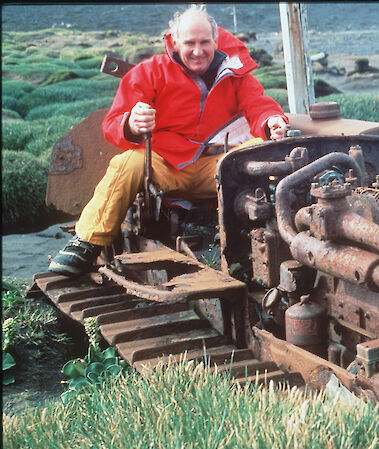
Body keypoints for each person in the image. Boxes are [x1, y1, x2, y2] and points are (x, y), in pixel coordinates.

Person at [48, 5, 289, 276]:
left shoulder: (234, 73)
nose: (198, 51)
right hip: (167, 167)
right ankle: (87, 242)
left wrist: (271, 122)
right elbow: (112, 124)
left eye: (204, 42)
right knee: (128, 162)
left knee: (260, 153)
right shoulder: (149, 72)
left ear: (215, 40)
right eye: (190, 43)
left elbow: (258, 105)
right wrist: (130, 123)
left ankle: (274, 235)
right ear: (175, 41)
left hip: (218, 169)